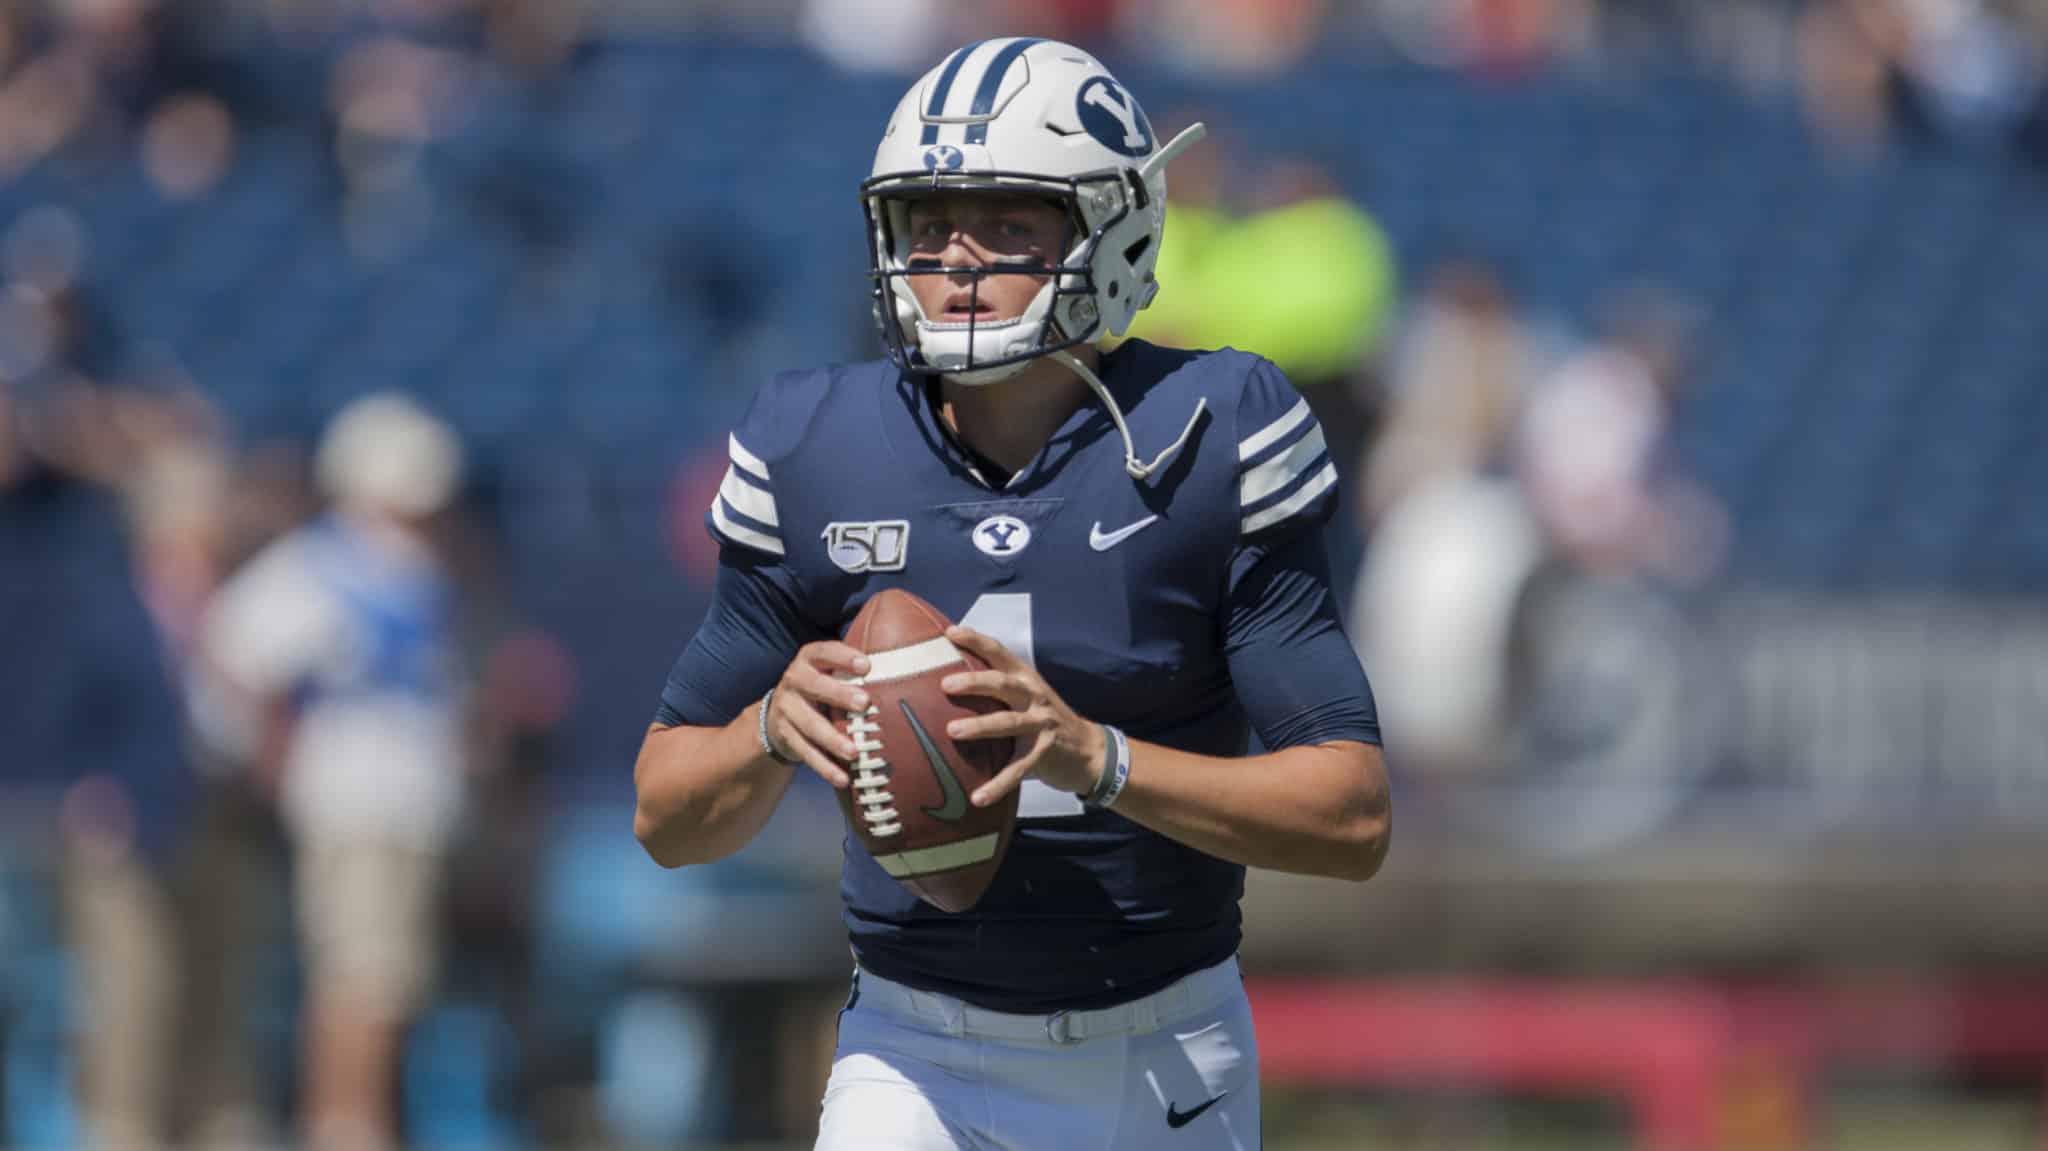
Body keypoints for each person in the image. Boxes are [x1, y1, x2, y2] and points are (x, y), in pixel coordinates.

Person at [632, 38, 1390, 1151]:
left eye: (1008, 222)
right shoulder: (814, 443)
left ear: (1112, 225)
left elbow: (1352, 814)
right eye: (928, 223)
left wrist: (1098, 759)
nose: (957, 258)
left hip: (1162, 1054)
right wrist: (765, 732)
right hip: (911, 1050)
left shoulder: (1209, 428)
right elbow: (664, 813)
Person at [197, 392, 469, 1151]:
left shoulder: (409, 568)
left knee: (386, 983)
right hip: (358, 804)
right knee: (360, 982)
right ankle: (345, 1129)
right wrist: (269, 758)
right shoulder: (323, 564)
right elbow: (232, 656)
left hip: (407, 807)